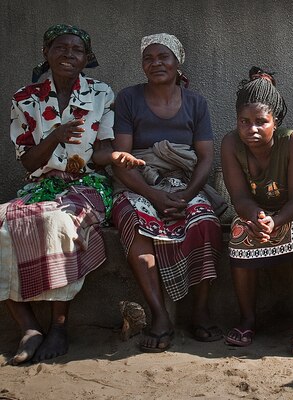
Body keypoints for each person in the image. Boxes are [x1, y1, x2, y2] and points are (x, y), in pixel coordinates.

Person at [1, 24, 142, 364]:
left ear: (86, 58)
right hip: (40, 185)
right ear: (46, 53)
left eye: (76, 50)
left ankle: (59, 325)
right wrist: (56, 135)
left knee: (58, 224)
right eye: (60, 48)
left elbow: (100, 153)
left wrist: (116, 156)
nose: (68, 55)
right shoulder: (25, 98)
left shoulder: (101, 94)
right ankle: (29, 326)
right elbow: (29, 163)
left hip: (87, 185)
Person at [112, 33, 225, 353]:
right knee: (135, 222)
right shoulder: (128, 98)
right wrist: (153, 195)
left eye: (163, 57)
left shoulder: (195, 103)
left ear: (178, 61)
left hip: (184, 183)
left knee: (205, 221)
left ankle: (200, 311)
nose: (156, 63)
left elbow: (205, 158)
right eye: (148, 58)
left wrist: (187, 195)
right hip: (137, 182)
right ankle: (159, 315)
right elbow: (121, 160)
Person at [220, 67, 293, 347]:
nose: (252, 129)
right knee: (238, 231)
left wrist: (276, 220)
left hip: (291, 212)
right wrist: (258, 217)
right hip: (255, 213)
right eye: (244, 122)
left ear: (276, 120)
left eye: (261, 121)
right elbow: (239, 197)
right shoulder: (230, 144)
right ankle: (247, 318)